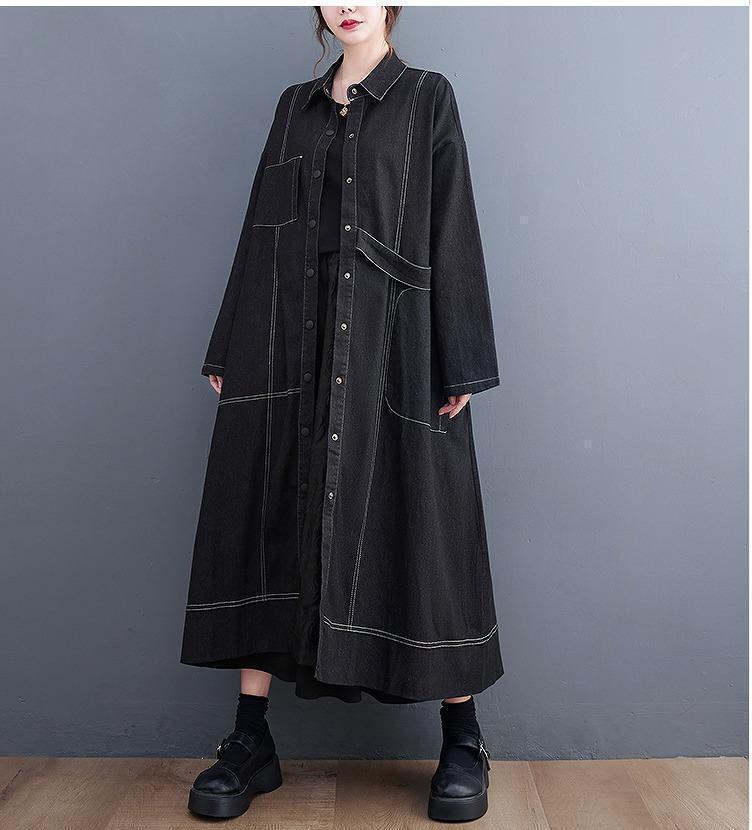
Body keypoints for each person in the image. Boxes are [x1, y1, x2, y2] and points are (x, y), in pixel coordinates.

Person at [181, 5, 503, 823]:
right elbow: (260, 228)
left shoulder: (427, 96)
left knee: (423, 520)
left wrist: (461, 355)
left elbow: (452, 222)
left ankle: (463, 739)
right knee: (268, 516)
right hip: (289, 337)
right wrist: (229, 345)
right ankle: (249, 740)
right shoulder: (293, 107)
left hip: (396, 345)